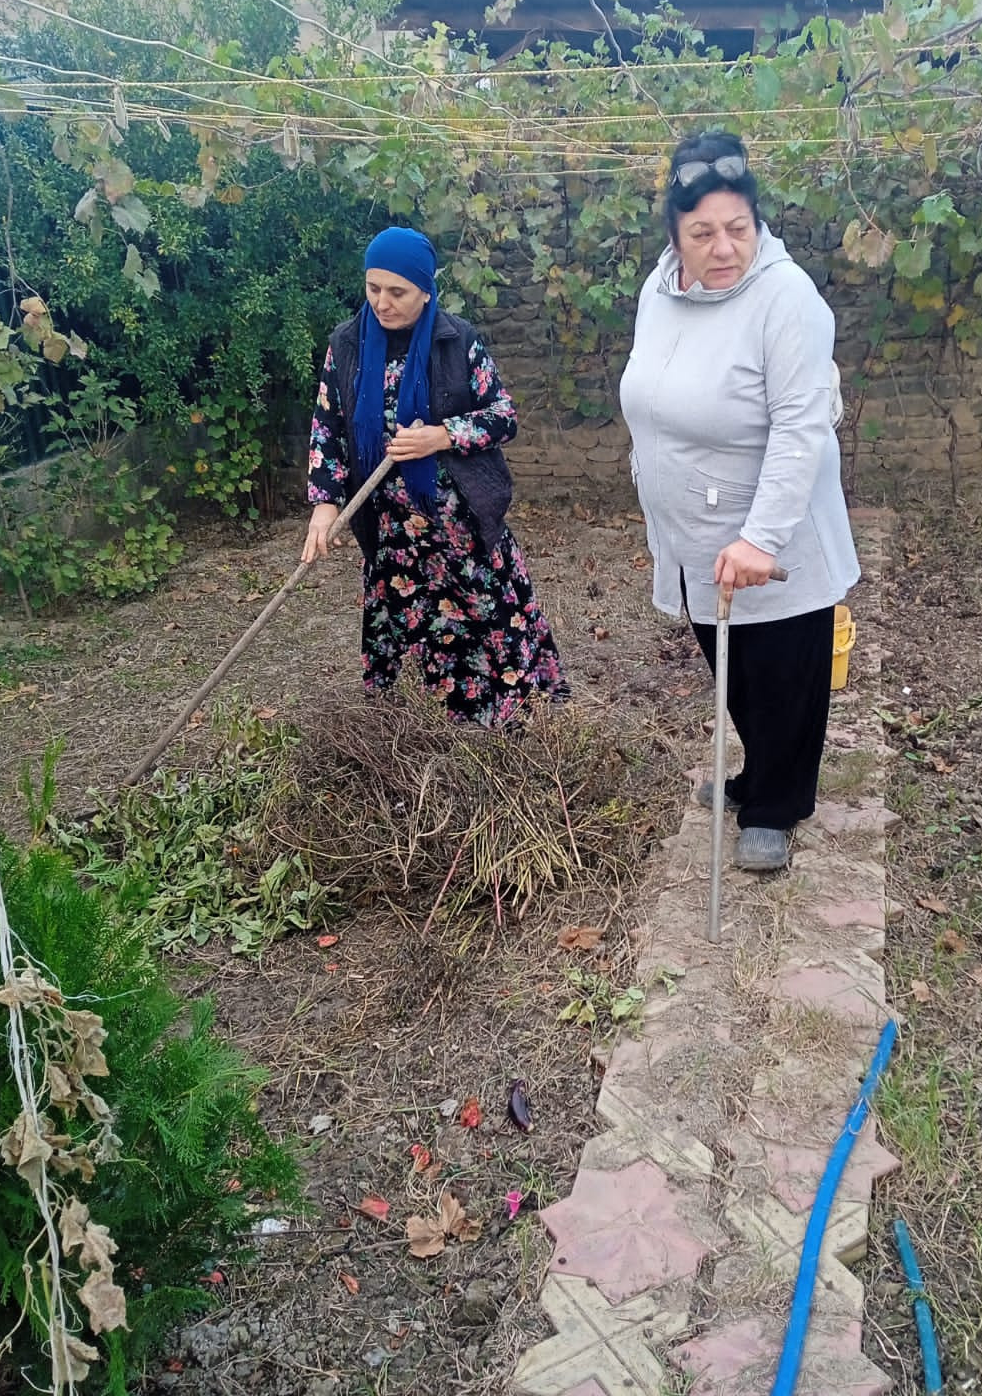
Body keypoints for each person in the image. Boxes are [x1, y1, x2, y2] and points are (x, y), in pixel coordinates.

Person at [619, 131, 859, 871]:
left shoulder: (787, 300)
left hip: (769, 534)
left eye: (738, 228)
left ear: (758, 223)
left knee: (783, 672)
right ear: (674, 235)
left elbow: (801, 429)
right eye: (703, 233)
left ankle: (776, 807)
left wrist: (760, 537)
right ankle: (756, 773)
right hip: (692, 535)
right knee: (737, 672)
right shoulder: (657, 296)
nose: (723, 248)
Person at [303, 226, 567, 728]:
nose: (382, 302)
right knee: (408, 631)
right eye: (373, 287)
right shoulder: (347, 345)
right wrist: (325, 503)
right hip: (394, 538)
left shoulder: (457, 340)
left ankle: (511, 720)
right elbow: (327, 427)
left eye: (397, 291)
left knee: (488, 621)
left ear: (425, 290)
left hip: (462, 526)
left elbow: (503, 416)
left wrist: (440, 437)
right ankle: (419, 730)